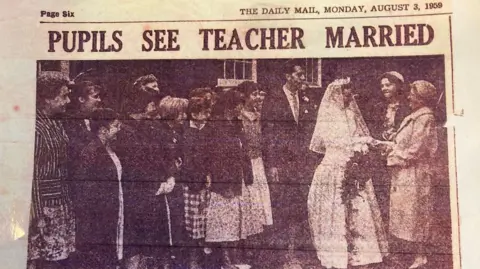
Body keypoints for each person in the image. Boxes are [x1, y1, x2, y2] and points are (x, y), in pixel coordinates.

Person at [308, 78, 388, 269]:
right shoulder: (327, 114)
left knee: (358, 209)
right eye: (345, 92)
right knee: (335, 209)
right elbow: (331, 142)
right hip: (334, 166)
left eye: (350, 92)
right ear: (336, 94)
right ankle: (337, 255)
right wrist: (358, 144)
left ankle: (360, 253)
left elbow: (356, 136)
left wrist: (365, 143)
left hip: (352, 165)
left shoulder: (351, 114)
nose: (349, 96)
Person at [261, 63, 312, 266]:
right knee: (282, 209)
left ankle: (295, 253)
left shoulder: (306, 99)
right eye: (299, 75)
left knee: (298, 208)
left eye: (303, 75)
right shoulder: (274, 99)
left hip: (301, 164)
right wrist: (272, 164)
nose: (302, 79)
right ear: (287, 75)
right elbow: (268, 133)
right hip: (281, 164)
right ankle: (282, 256)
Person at [385, 80, 439, 269]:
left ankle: (420, 257)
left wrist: (393, 155)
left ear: (421, 98)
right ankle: (410, 255)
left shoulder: (425, 118)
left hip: (416, 174)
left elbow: (416, 150)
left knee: (417, 214)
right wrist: (393, 144)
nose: (408, 97)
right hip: (405, 173)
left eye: (412, 94)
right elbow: (405, 143)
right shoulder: (415, 116)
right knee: (406, 215)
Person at [28, 71, 75, 269]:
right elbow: (31, 176)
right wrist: (37, 217)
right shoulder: (35, 128)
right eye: (63, 95)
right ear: (47, 98)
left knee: (60, 261)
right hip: (44, 212)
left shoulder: (56, 123)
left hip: (61, 206)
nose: (68, 100)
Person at [72, 108, 124, 269]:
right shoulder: (91, 151)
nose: (119, 129)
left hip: (113, 208)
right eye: (115, 125)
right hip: (100, 214)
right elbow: (85, 188)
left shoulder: (110, 147)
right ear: (103, 129)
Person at [369, 71, 410, 222]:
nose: (384, 88)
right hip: (381, 154)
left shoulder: (407, 107)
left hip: (399, 153)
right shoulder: (379, 107)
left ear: (398, 86)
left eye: (388, 84)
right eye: (382, 86)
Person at [181, 95, 214, 269]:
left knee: (204, 225)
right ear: (194, 114)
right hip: (192, 185)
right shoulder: (187, 132)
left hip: (205, 184)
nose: (207, 116)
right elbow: (189, 161)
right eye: (203, 113)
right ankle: (193, 263)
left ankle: (204, 262)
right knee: (192, 226)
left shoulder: (206, 131)